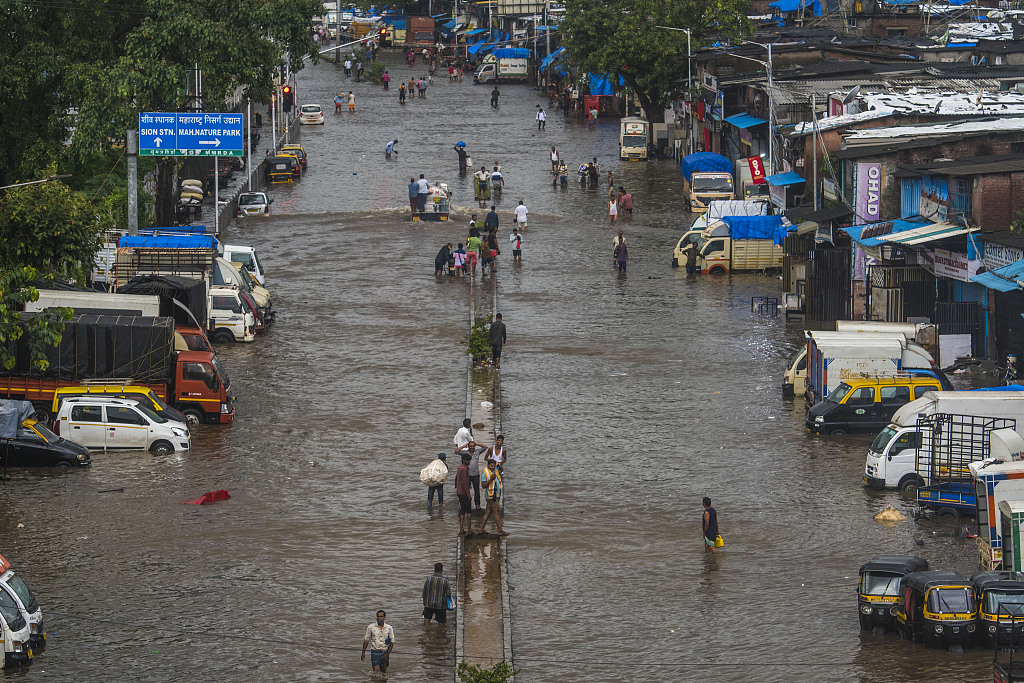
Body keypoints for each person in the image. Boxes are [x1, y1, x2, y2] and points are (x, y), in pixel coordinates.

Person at [477, 460, 508, 535]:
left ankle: (481, 529)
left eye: (494, 466)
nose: (493, 467)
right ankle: (500, 531)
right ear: (488, 465)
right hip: (491, 496)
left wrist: (499, 465)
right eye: (491, 466)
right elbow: (483, 486)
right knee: (496, 512)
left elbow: (501, 470)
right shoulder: (485, 474)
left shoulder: (495, 471)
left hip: (495, 495)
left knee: (488, 512)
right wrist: (491, 479)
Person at [454, 440, 485, 509]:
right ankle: (462, 504)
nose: (472, 447)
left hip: (475, 474)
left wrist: (477, 443)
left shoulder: (477, 452)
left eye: (473, 446)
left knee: (476, 490)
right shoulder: (464, 453)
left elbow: (485, 447)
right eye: (470, 446)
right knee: (464, 489)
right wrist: (463, 446)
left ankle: (477, 504)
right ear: (468, 446)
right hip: (466, 475)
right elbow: (456, 451)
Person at [456, 451, 472, 534]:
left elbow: (457, 479)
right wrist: (468, 494)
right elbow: (464, 483)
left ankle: (461, 528)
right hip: (463, 492)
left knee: (462, 510)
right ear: (464, 460)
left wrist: (457, 487)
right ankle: (469, 529)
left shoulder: (460, 467)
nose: (469, 462)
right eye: (468, 460)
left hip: (459, 492)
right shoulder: (464, 469)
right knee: (468, 511)